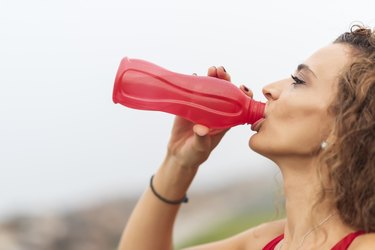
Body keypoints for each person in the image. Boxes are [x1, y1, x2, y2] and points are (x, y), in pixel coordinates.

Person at [118, 25, 375, 250]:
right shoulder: (264, 241)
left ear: (346, 125)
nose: (268, 89)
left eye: (298, 81)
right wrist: (179, 162)